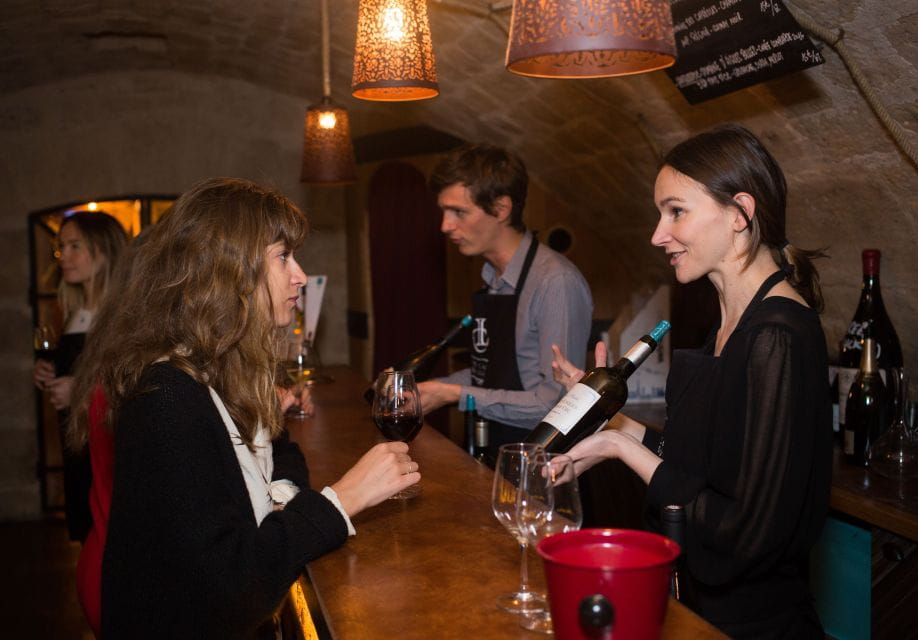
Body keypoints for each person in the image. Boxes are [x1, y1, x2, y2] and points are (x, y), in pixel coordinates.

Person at [70, 178, 420, 638]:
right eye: (282, 256)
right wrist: (342, 501)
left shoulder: (218, 367)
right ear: (228, 271)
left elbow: (283, 450)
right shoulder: (167, 396)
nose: (299, 274)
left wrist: (276, 506)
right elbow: (231, 590)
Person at [552, 125, 832, 638]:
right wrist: (608, 419)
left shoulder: (778, 336)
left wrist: (619, 445)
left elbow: (745, 527)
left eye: (675, 211)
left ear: (739, 213)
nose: (657, 235)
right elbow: (701, 463)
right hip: (697, 611)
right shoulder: (726, 327)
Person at [417, 144, 593, 461]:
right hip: (494, 450)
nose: (445, 226)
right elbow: (492, 375)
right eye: (443, 212)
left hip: (542, 466)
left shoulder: (555, 282)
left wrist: (453, 394)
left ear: (501, 209)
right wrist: (432, 389)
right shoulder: (494, 277)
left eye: (459, 212)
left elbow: (556, 404)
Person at [32, 210, 127, 542]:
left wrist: (81, 391)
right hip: (76, 444)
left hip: (106, 448)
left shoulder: (120, 313)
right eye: (61, 247)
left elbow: (130, 378)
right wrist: (50, 370)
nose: (64, 257)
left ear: (103, 252)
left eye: (75, 246)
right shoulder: (74, 312)